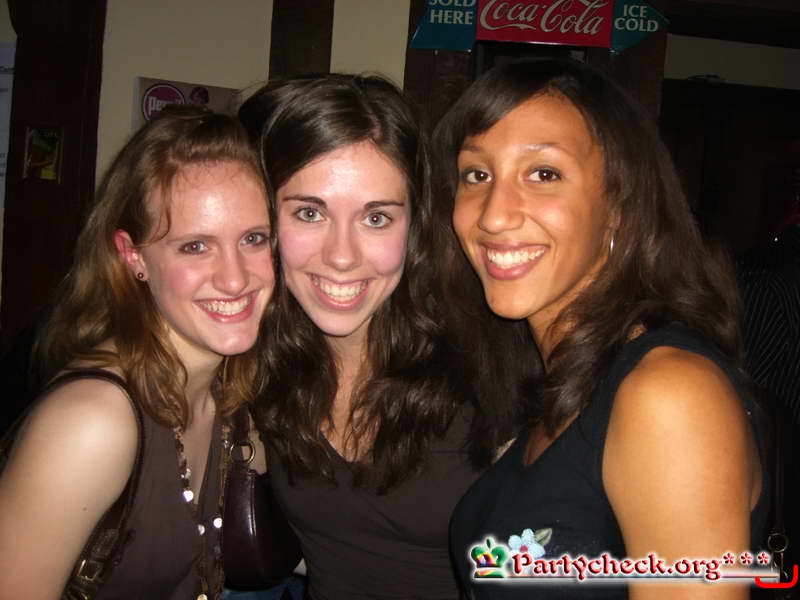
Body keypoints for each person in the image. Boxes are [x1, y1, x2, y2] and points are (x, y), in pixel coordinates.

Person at [435, 58, 769, 599]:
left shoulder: (669, 394)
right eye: (477, 174)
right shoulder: (558, 379)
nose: (493, 215)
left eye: (544, 174)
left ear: (618, 205)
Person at [238, 73, 535, 600]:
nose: (342, 256)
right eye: (310, 212)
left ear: (415, 226)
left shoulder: (493, 365)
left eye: (376, 218)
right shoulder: (255, 362)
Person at [0, 105, 274, 599]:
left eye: (253, 239)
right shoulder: (91, 423)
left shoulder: (228, 389)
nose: (236, 279)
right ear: (133, 256)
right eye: (195, 246)